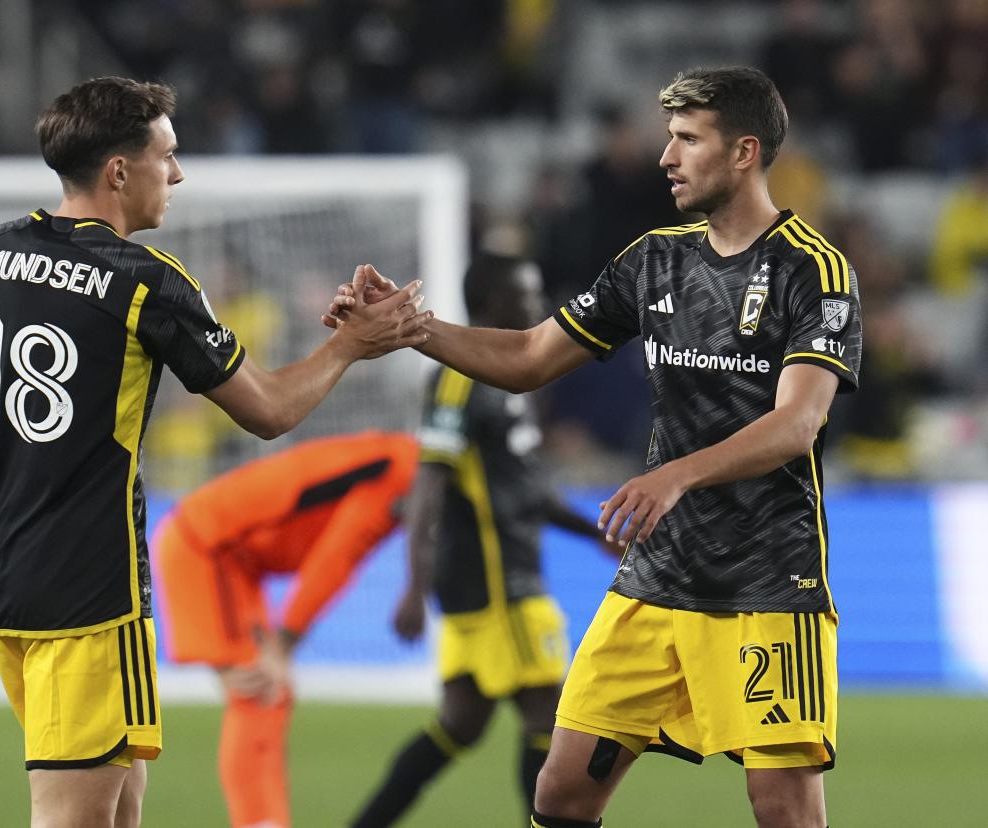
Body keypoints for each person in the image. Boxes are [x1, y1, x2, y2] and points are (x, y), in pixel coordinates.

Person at [0, 76, 426, 828]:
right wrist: (350, 346)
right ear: (118, 171)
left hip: (1, 582)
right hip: (91, 595)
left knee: (116, 809)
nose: (176, 174)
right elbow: (269, 411)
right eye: (166, 155)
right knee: (74, 818)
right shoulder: (146, 284)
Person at [330, 67, 861, 828]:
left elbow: (797, 424)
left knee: (783, 808)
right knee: (561, 794)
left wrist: (675, 475)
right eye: (668, 139)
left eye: (686, 140)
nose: (665, 158)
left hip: (766, 585)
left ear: (744, 152)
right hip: (653, 580)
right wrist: (413, 327)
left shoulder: (813, 270)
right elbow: (527, 356)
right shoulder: (653, 260)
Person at [350, 253, 617, 827]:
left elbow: (527, 492)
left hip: (508, 579)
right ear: (492, 303)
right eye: (526, 292)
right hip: (500, 587)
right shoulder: (456, 379)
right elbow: (428, 485)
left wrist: (593, 534)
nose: (536, 303)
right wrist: (413, 587)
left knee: (459, 726)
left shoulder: (515, 378)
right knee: (553, 722)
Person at [152, 430, 419, 828]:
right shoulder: (399, 474)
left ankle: (266, 819)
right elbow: (337, 557)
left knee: (271, 693)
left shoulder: (397, 460)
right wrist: (285, 641)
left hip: (232, 558)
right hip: (207, 546)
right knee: (259, 691)